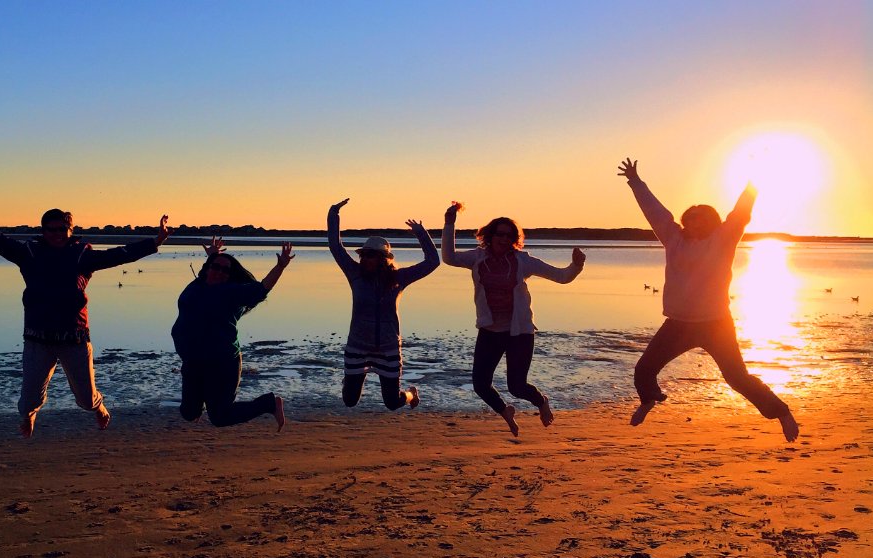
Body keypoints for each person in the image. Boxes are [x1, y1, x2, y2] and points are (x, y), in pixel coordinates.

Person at [0, 177, 171, 437]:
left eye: (62, 229)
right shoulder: (29, 253)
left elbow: (119, 255)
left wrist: (154, 242)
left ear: (70, 230)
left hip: (75, 337)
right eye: (51, 229)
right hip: (38, 338)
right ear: (43, 230)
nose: (57, 234)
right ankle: (30, 415)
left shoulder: (82, 255)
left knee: (85, 398)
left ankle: (98, 406)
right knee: (27, 401)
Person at [617, 158, 799, 442]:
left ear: (711, 221)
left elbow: (741, 213)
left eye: (699, 218)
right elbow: (655, 213)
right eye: (689, 219)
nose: (692, 223)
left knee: (737, 378)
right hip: (678, 324)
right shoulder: (673, 239)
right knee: (644, 369)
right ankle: (649, 400)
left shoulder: (724, 239)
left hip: (716, 324)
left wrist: (756, 181)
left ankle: (782, 413)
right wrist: (636, 182)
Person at [442, 202, 585, 437]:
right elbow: (448, 257)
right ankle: (505, 410)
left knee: (517, 386)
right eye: (500, 234)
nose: (504, 239)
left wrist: (577, 265)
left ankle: (541, 401)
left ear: (514, 239)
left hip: (520, 332)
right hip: (490, 330)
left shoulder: (523, 261)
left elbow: (561, 277)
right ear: (490, 235)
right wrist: (449, 224)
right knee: (480, 385)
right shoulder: (477, 258)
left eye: (509, 236)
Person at [327, 198, 439, 410]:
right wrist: (334, 213)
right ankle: (348, 382)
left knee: (392, 402)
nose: (364, 259)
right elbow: (335, 246)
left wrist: (421, 233)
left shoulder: (399, 278)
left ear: (383, 258)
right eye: (363, 255)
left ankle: (411, 394)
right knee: (349, 401)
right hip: (358, 344)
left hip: (387, 347)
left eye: (370, 255)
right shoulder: (355, 274)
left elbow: (433, 262)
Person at [171, 237, 292, 429]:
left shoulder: (231, 293)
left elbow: (262, 288)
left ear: (229, 276)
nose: (219, 273)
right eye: (216, 267)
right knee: (188, 413)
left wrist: (280, 267)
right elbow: (210, 267)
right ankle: (203, 399)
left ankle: (269, 403)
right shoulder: (197, 284)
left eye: (225, 271)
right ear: (208, 268)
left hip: (222, 364)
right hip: (193, 362)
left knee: (220, 417)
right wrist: (213, 255)